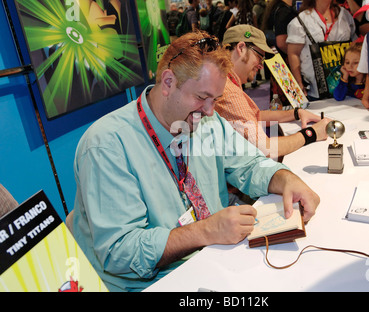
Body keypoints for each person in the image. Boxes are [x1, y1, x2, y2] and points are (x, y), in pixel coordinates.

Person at [72, 30, 320, 292]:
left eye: (216, 99)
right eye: (202, 98)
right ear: (168, 82)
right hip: (153, 284)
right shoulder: (107, 146)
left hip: (211, 260)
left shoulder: (206, 120)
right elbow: (120, 253)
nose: (210, 110)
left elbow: (250, 164)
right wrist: (205, 231)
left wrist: (285, 179)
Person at [215, 25, 331, 159]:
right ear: (240, 48)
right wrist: (312, 133)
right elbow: (263, 148)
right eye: (259, 56)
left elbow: (255, 116)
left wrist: (297, 113)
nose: (260, 65)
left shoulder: (225, 80)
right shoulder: (228, 90)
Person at [286, 0, 357, 100]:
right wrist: (299, 83)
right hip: (315, 92)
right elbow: (293, 53)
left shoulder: (345, 15)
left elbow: (354, 44)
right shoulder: (301, 21)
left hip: (346, 88)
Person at [261, 0, 298, 104]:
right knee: (289, 103)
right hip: (284, 65)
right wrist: (295, 55)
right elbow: (281, 42)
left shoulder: (277, 8)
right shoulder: (284, 11)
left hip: (277, 62)